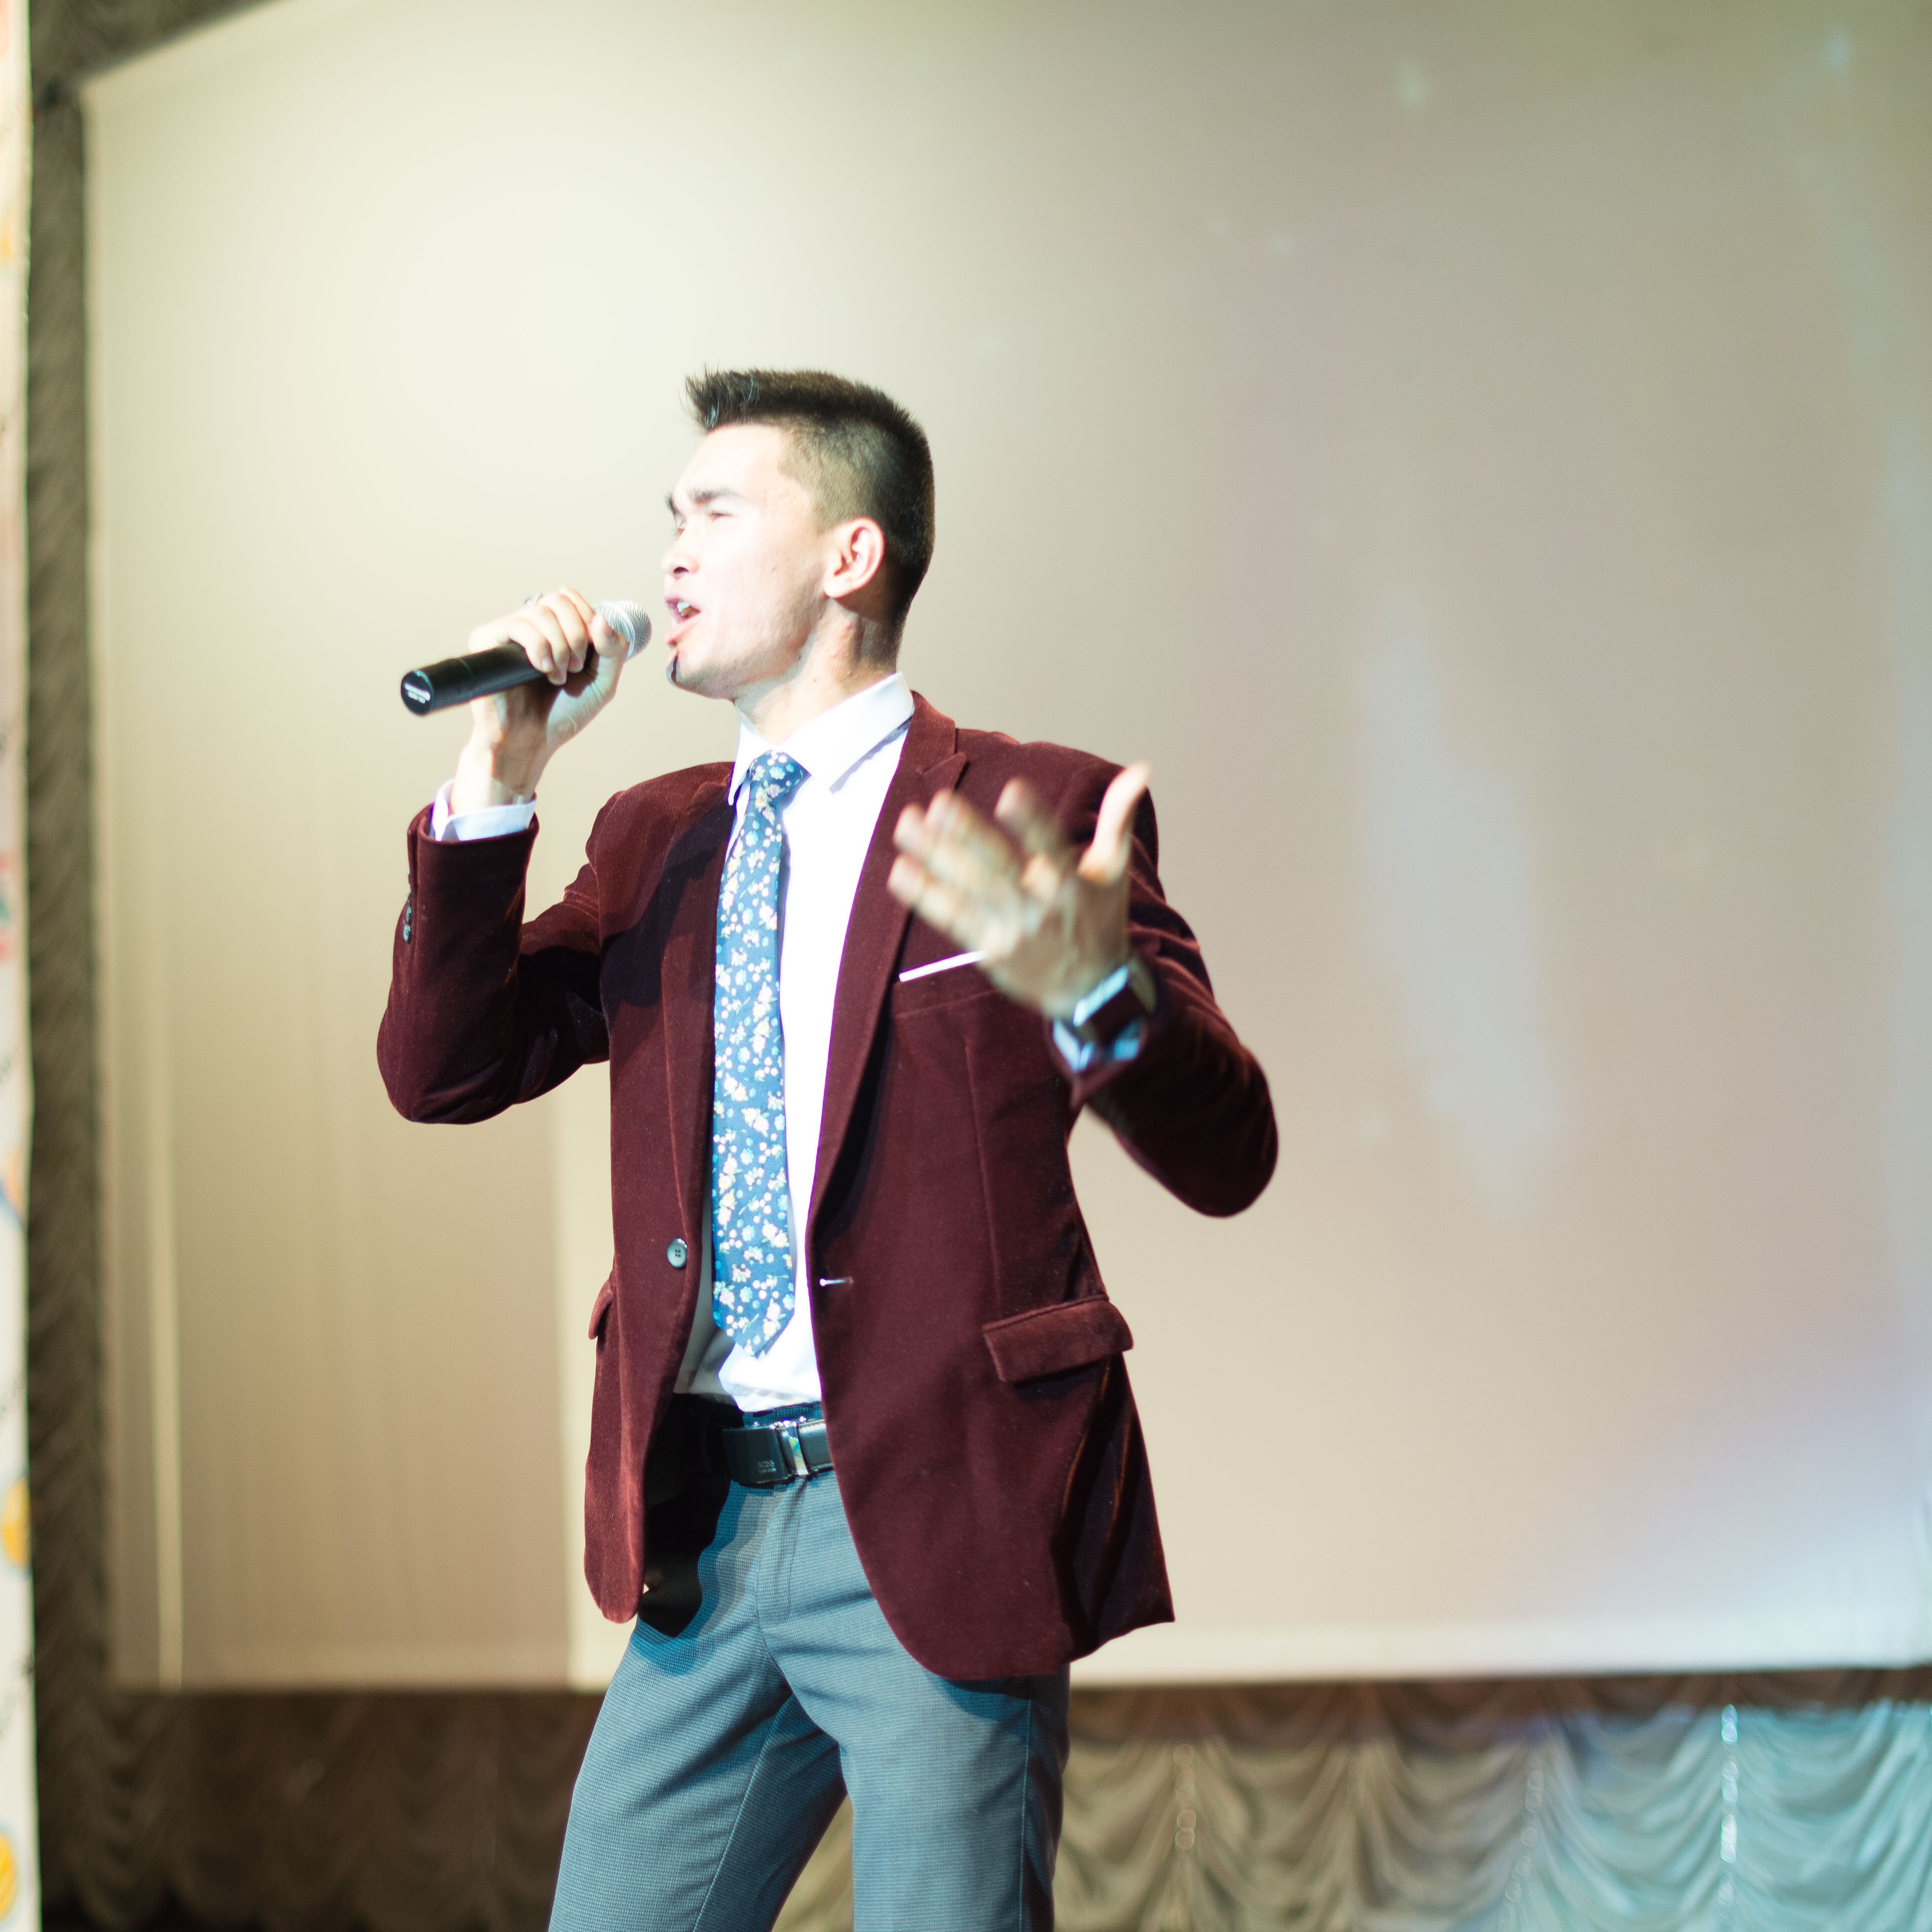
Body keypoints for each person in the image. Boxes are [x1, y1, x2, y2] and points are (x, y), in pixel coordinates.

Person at [378, 369, 1277, 1931]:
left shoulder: (1028, 807)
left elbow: (1228, 1151)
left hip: (934, 1508)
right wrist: (497, 783)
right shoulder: (656, 837)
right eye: (669, 518)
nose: (671, 552)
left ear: (849, 555)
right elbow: (442, 1068)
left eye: (716, 513)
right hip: (709, 1524)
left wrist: (1094, 993)